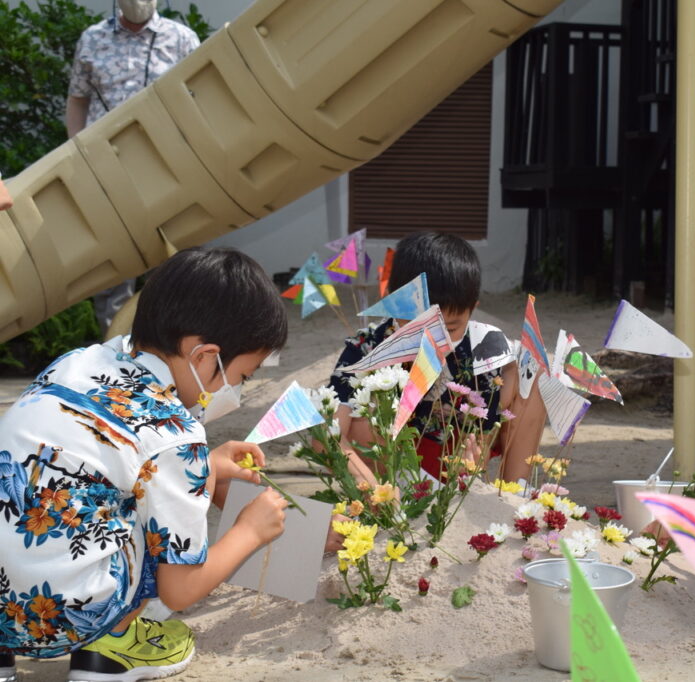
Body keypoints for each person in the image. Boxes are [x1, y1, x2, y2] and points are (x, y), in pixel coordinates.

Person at [0, 247, 289, 681]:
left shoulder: (79, 362)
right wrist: (250, 530)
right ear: (203, 355)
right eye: (242, 377)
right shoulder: (175, 432)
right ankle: (112, 649)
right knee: (158, 529)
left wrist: (203, 467)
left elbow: (107, 458)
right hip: (53, 621)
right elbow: (181, 588)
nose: (237, 391)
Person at [328, 232, 546, 484]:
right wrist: (369, 485)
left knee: (530, 375)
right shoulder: (366, 347)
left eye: (450, 329)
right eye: (418, 327)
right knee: (362, 419)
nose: (432, 341)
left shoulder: (487, 353)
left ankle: (513, 497)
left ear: (471, 309)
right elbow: (329, 436)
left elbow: (482, 442)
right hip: (382, 472)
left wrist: (473, 465)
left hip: (453, 460)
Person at [66, 0, 200, 334]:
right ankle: (116, 355)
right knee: (113, 267)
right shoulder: (92, 39)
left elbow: (200, 98)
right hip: (106, 173)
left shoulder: (182, 38)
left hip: (166, 169)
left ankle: (173, 350)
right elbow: (77, 99)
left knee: (174, 263)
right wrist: (75, 153)